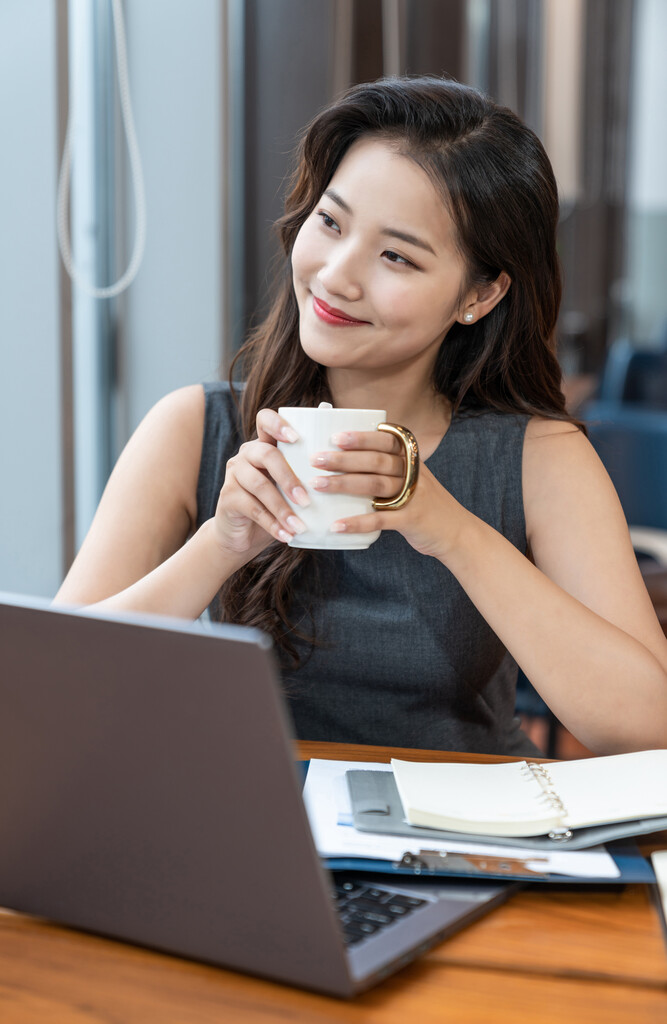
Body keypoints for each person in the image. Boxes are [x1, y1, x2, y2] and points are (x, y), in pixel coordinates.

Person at [55, 76, 667, 756]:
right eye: (330, 222)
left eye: (396, 256)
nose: (337, 275)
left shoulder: (537, 456)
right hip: (244, 826)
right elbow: (50, 684)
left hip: (463, 844)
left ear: (479, 294)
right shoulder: (195, 428)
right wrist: (221, 544)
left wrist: (448, 529)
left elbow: (646, 727)